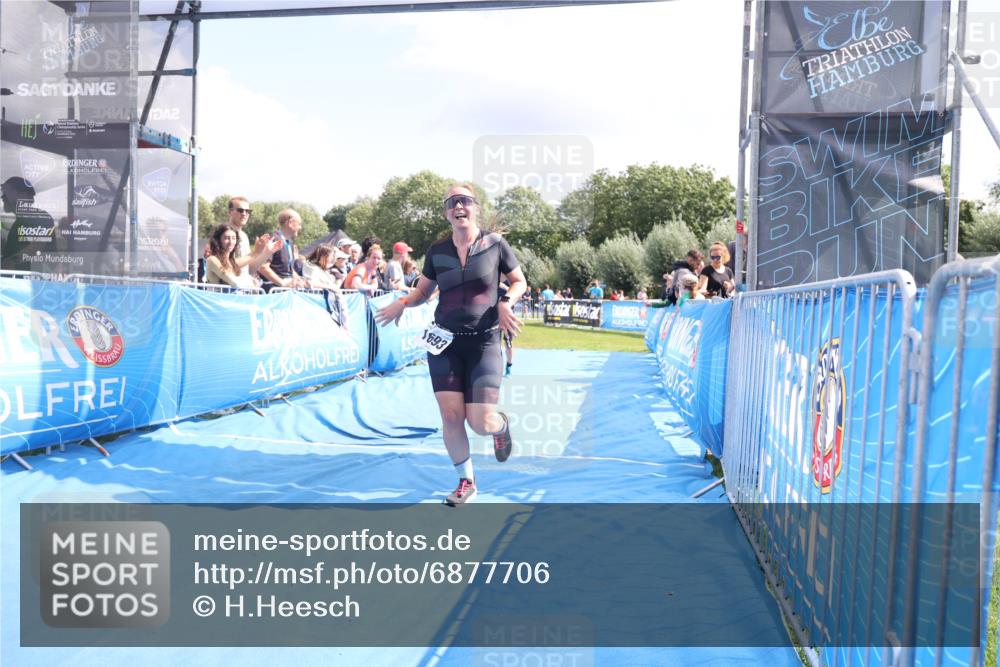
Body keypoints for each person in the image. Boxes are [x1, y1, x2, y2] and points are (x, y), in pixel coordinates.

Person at [375, 183, 526, 507]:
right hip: (443, 342)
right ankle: (466, 481)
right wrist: (404, 302)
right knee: (451, 415)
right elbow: (423, 292)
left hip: (483, 342)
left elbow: (519, 281)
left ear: (475, 207)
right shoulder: (437, 251)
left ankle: (500, 427)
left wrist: (505, 303)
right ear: (446, 212)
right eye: (452, 202)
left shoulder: (495, 244)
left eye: (465, 201)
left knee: (480, 421)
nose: (459, 206)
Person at [1, 176, 55, 271]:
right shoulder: (19, 222)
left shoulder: (41, 217)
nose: (2, 197)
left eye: (6, 193)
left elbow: (36, 248)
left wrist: (10, 262)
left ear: (22, 195)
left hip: (32, 281)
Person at [204, 223, 277, 289]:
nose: (231, 242)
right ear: (218, 240)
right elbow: (235, 282)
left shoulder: (231, 262)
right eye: (226, 238)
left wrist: (259, 252)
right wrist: (250, 281)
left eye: (233, 238)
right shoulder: (212, 260)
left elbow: (249, 260)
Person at [257, 208, 307, 291]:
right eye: (299, 224)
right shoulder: (274, 240)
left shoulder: (290, 242)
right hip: (273, 293)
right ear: (290, 222)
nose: (300, 227)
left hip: (285, 292)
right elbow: (263, 267)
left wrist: (301, 281)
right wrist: (283, 283)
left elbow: (288, 271)